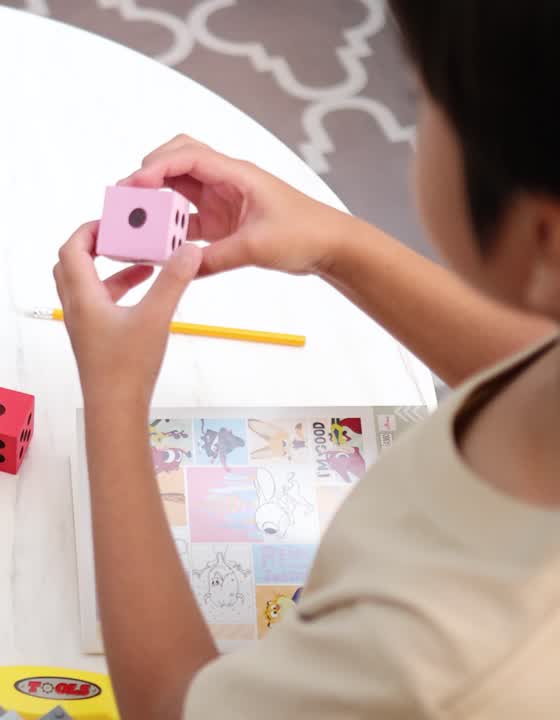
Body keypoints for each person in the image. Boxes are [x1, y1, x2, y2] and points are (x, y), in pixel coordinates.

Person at [53, 2, 560, 717]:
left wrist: (114, 393)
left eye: (425, 104)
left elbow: (172, 706)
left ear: (544, 233)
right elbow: (532, 361)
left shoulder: (430, 662)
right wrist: (334, 243)